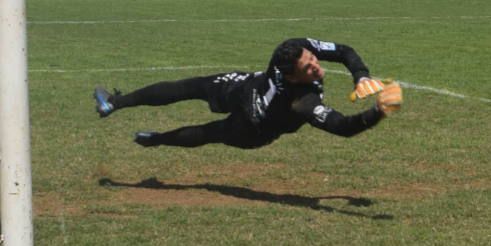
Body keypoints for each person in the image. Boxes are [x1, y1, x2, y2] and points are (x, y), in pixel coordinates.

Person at [93, 38, 403, 149]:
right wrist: (379, 110)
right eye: (308, 68)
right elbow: (343, 128)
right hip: (252, 106)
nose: (316, 66)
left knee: (203, 122)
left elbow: (344, 52)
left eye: (313, 59)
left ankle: (150, 132)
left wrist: (361, 77)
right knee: (194, 100)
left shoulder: (294, 57)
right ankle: (122, 109)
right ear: (291, 75)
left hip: (250, 108)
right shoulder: (301, 99)